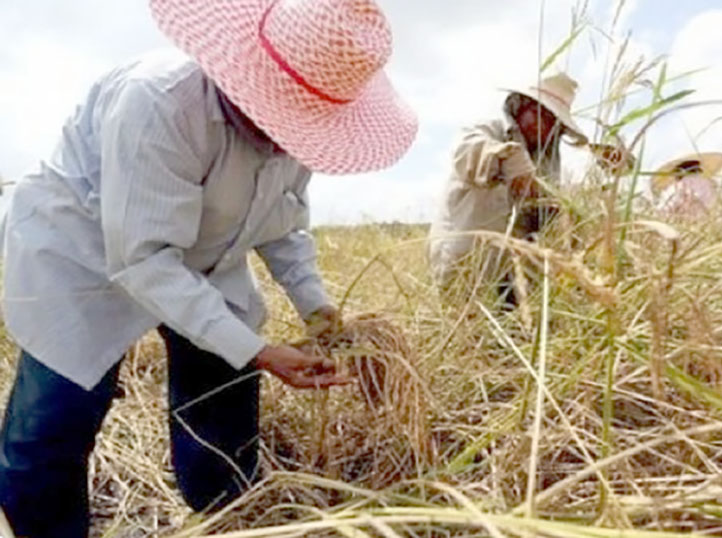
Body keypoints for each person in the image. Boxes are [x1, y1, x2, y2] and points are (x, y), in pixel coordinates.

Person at [0, 0, 416, 535]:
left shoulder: (301, 129)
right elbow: (144, 260)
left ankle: (226, 513)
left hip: (200, 258)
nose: (294, 136)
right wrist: (261, 352)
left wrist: (320, 313)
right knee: (53, 421)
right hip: (81, 256)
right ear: (253, 76)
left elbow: (285, 226)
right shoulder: (158, 103)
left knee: (222, 390)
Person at [427, 73, 587, 304]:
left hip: (513, 273)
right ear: (522, 106)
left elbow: (541, 211)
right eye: (541, 115)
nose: (545, 127)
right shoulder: (489, 130)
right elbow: (466, 153)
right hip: (464, 260)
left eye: (554, 122)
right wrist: (509, 159)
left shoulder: (546, 158)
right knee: (464, 318)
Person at [652, 152, 722, 219]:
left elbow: (665, 209)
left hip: (683, 224)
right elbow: (714, 205)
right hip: (705, 223)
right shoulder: (710, 184)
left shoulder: (679, 185)